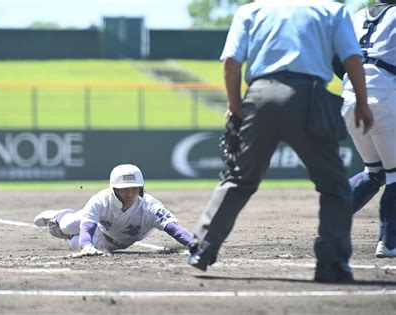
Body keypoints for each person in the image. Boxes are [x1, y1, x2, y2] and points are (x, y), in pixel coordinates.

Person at [188, 0, 374, 283]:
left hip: (260, 96)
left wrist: (235, 105)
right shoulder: (331, 9)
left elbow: (231, 63)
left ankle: (202, 248)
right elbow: (352, 58)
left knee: (239, 179)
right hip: (308, 97)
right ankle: (331, 264)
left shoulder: (251, 10)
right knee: (334, 186)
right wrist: (362, 102)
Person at [34, 164, 194, 256]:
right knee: (66, 227)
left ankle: (77, 238)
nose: (130, 193)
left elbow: (174, 228)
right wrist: (87, 246)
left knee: (74, 244)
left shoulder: (150, 206)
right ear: (114, 189)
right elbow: (87, 227)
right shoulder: (100, 200)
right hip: (97, 228)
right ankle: (60, 215)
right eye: (124, 189)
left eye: (134, 188)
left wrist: (194, 244)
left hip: (112, 242)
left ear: (141, 188)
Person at [341, 0, 396, 258]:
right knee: (395, 175)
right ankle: (389, 242)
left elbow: (337, 57)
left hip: (352, 96)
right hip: (385, 97)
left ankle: (330, 222)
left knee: (374, 172)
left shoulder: (358, 15)